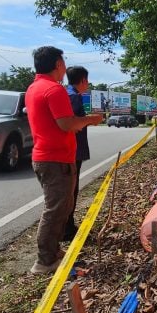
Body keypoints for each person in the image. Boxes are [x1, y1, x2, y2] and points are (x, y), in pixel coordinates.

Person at [26, 46, 103, 274]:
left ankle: (53, 250)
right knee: (56, 209)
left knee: (63, 206)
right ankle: (45, 260)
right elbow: (67, 124)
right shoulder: (54, 90)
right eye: (63, 63)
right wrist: (91, 119)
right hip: (55, 159)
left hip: (49, 157)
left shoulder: (34, 88)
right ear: (58, 64)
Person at [64, 65, 94, 240]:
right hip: (73, 150)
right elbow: (74, 124)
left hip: (70, 149)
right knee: (71, 190)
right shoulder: (74, 97)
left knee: (70, 189)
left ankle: (67, 226)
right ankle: (68, 229)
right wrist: (91, 120)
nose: (87, 84)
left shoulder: (68, 94)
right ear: (83, 80)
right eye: (87, 80)